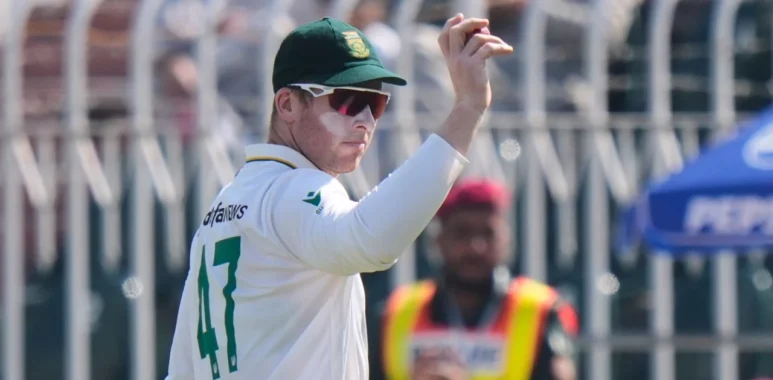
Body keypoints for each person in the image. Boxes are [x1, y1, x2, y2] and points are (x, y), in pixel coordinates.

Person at [164, 14, 514, 380]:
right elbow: (369, 239)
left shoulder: (226, 202)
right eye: (346, 101)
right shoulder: (296, 188)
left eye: (375, 104)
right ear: (286, 105)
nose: (364, 121)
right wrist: (468, 107)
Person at [370, 179, 579, 380]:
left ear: (506, 241)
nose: (475, 247)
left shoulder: (539, 310)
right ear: (438, 241)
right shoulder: (397, 312)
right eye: (462, 233)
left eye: (488, 234)